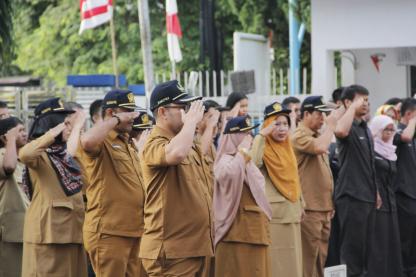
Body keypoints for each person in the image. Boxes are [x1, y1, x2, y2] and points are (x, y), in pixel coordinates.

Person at [140, 80, 214, 276]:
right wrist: (190, 123)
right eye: (183, 107)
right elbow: (176, 154)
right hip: (171, 252)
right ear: (163, 112)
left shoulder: (186, 141)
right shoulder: (154, 142)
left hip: (193, 247)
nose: (189, 112)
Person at [79, 89, 146, 277]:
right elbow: (87, 142)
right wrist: (116, 120)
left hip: (133, 231)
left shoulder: (127, 143)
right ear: (111, 113)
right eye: (128, 112)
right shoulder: (103, 141)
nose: (133, 116)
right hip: (109, 233)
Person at [19, 98, 87, 277]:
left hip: (73, 233)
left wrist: (75, 129)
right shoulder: (40, 155)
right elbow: (25, 154)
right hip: (49, 235)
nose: (69, 128)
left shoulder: (63, 155)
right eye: (64, 123)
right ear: (51, 124)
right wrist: (53, 133)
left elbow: (84, 179)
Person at [250, 102, 303, 277]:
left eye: (285, 124)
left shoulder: (287, 147)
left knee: (293, 261)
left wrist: (301, 203)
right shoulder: (262, 145)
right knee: (277, 263)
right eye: (276, 124)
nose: (282, 129)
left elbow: (294, 178)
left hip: (293, 212)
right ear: (267, 125)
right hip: (275, 216)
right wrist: (261, 136)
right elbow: (253, 163)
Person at [214, 116, 272, 277]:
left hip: (255, 232)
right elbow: (228, 175)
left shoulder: (245, 160)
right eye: (244, 133)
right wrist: (243, 151)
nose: (250, 137)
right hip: (236, 234)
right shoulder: (226, 160)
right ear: (233, 137)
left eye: (250, 133)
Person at [291, 96, 341, 277]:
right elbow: (320, 147)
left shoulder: (318, 135)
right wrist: (331, 126)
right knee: (308, 260)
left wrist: (330, 203)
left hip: (323, 207)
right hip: (310, 208)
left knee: (320, 257)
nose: (323, 119)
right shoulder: (299, 135)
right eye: (320, 114)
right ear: (306, 114)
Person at [334, 85, 379, 277]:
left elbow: (369, 164)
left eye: (368, 100)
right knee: (351, 252)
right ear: (347, 102)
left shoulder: (364, 127)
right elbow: (340, 132)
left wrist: (375, 191)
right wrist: (351, 108)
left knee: (365, 250)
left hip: (367, 196)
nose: (366, 104)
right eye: (362, 100)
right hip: (351, 196)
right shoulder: (348, 125)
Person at [367, 115, 403, 277]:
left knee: (393, 242)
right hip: (377, 203)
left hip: (391, 202)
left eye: (391, 129)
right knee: (379, 244)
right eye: (385, 129)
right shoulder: (371, 149)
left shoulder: (391, 151)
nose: (389, 133)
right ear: (377, 130)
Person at [0, 117, 29, 277]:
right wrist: (9, 140)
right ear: (4, 137)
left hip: (27, 229)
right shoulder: (3, 155)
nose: (25, 134)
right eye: (20, 131)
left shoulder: (23, 159)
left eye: (25, 130)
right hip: (11, 232)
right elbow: (8, 167)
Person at [393, 98, 416, 277]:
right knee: (406, 241)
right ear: (409, 114)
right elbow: (405, 137)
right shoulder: (396, 131)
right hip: (403, 194)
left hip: (413, 194)